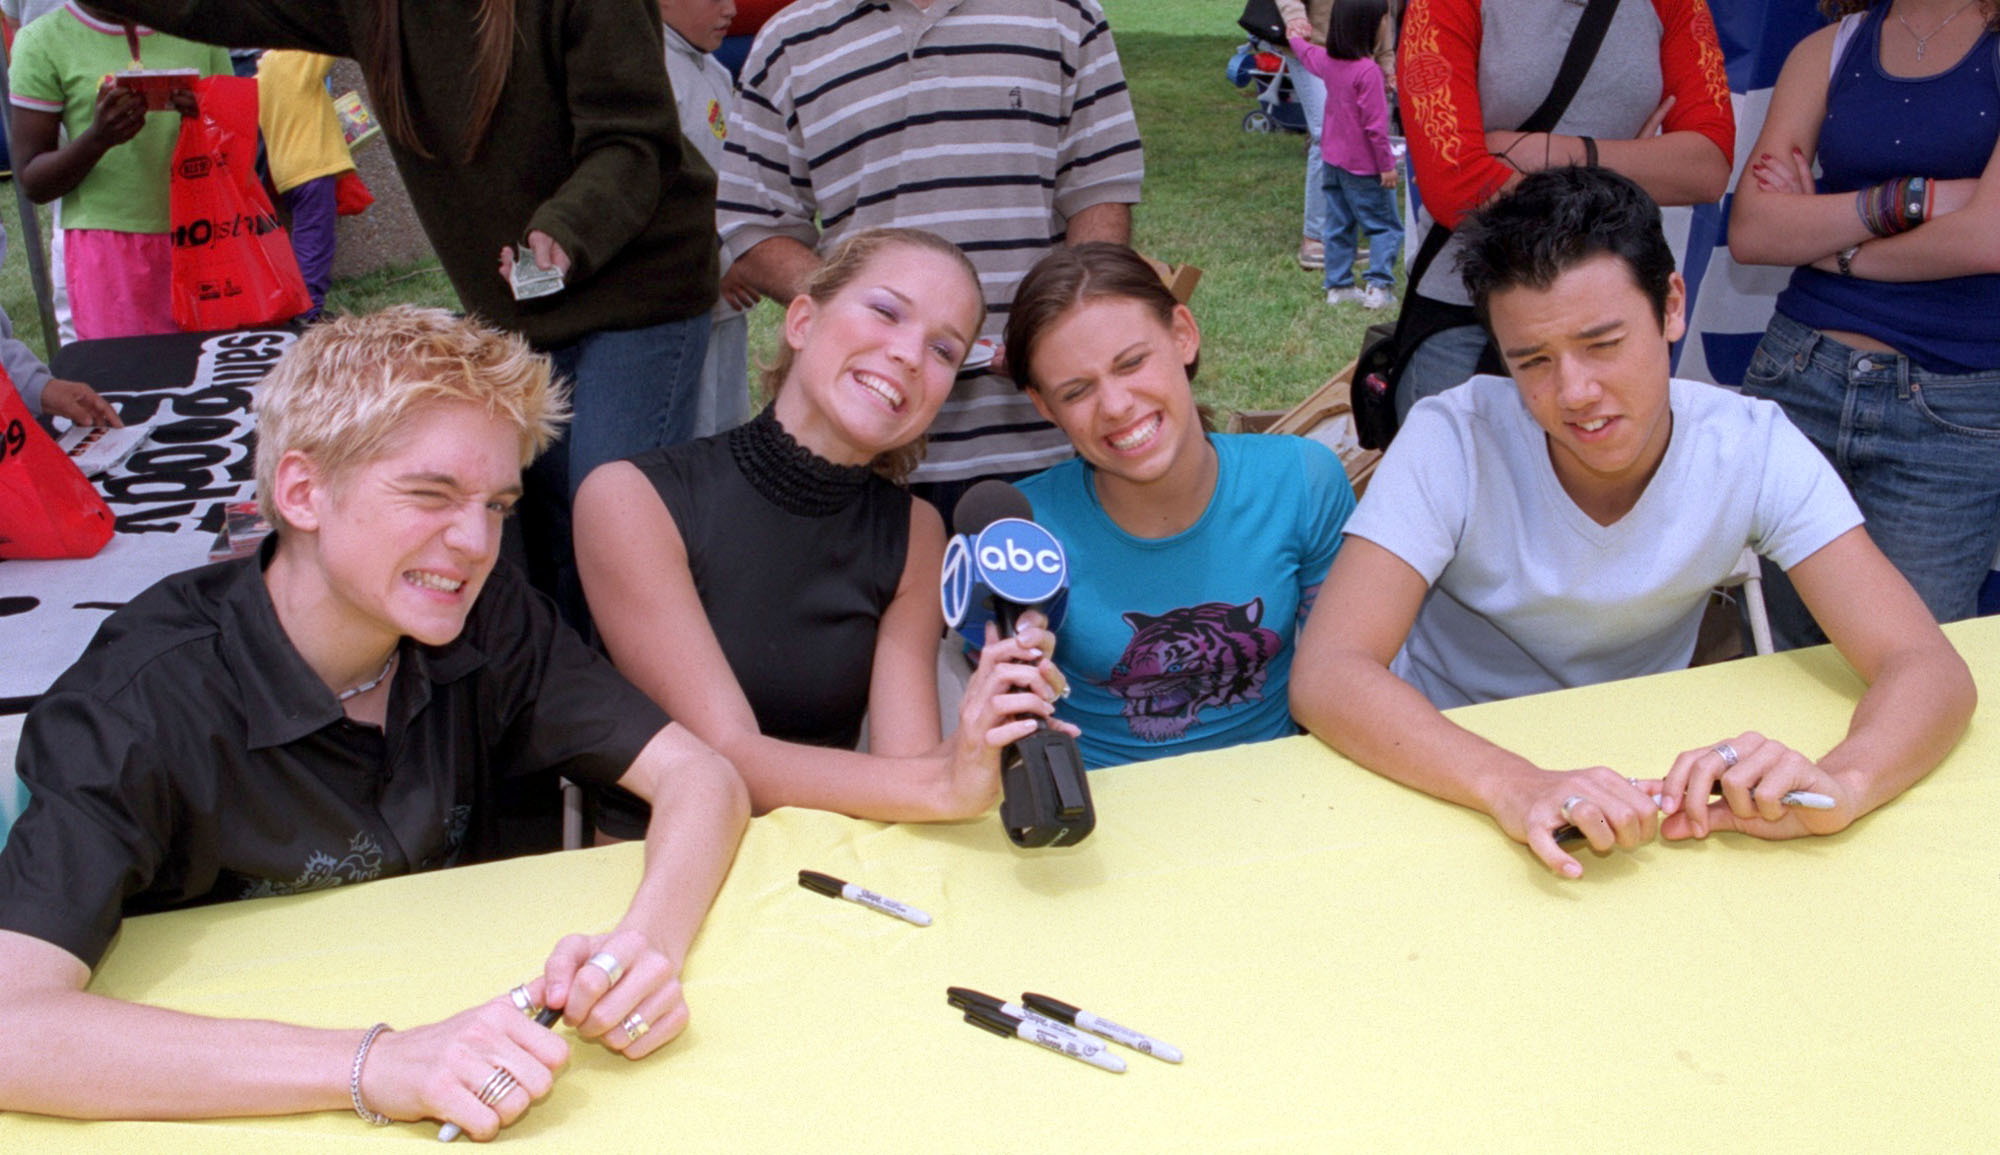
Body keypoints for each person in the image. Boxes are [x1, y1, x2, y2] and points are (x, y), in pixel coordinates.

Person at [0, 307, 749, 1135]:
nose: (474, 541)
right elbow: (12, 1026)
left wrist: (641, 947)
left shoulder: (488, 617)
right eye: (430, 493)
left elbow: (700, 775)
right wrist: (380, 1062)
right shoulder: (136, 700)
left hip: (495, 1073)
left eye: (499, 504)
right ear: (301, 490)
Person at [1290, 167, 1975, 880]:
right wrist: (1512, 782)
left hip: (1641, 783)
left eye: (1604, 344)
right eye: (1533, 362)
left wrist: (1847, 782)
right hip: (1444, 768)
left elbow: (1926, 665)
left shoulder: (1749, 444)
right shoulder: (1451, 438)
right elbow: (1331, 671)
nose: (1575, 393)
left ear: (1671, 305)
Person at [575, 228, 1068, 830]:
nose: (910, 355)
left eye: (944, 350)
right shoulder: (631, 498)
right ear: (802, 321)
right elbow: (726, 759)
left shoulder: (914, 532)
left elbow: (905, 768)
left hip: (828, 865)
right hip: (651, 869)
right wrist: (945, 782)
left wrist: (983, 727)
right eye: (886, 311)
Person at [716, 0, 1144, 522]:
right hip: (863, 445)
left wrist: (1059, 334)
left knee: (1037, 606)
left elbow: (1100, 195)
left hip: (1039, 435)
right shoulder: (790, 40)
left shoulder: (1064, 16)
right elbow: (756, 228)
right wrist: (880, 323)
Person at [1006, 243, 1356, 768]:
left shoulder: (1303, 481)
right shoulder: (1022, 528)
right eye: (1077, 391)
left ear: (1183, 334)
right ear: (1043, 405)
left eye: (1132, 362)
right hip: (1099, 815)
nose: (1117, 405)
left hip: (1283, 795)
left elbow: (1350, 674)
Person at [1727, 0, 2000, 648]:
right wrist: (1917, 200)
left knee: (1913, 668)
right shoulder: (1828, 48)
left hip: (1954, 410)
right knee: (1774, 664)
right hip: (1797, 379)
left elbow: (1987, 237)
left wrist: (1830, 244)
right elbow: (1754, 229)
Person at [1391, 0, 1734, 422]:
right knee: (1462, 480)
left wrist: (1554, 154)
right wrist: (1630, 170)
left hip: (1607, 323)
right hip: (1474, 318)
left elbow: (1707, 166)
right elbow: (1457, 185)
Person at [8, 4, 230, 338]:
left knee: (214, 372)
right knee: (128, 380)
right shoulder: (41, 41)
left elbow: (237, 138)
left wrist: (206, 117)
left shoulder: (202, 30)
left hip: (207, 236)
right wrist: (98, 139)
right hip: (107, 250)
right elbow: (31, 181)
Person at [659, 0, 753, 438]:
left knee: (727, 421)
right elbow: (667, 191)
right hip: (680, 298)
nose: (731, 10)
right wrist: (715, 262)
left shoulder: (713, 69)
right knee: (685, 429)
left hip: (729, 293)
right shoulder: (652, 73)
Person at [1290, 0, 1403, 310]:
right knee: (1385, 226)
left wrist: (1294, 34)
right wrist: (1387, 167)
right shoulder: (1368, 73)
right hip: (1366, 168)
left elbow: (1305, 52)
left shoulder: (1328, 61)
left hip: (1333, 162)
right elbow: (1376, 129)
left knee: (1338, 224)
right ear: (1370, 27)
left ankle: (1339, 287)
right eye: (1384, 20)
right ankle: (1378, 287)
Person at [254, 49, 357, 318]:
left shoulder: (262, 71)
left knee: (305, 237)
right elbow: (326, 40)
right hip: (312, 167)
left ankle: (302, 304)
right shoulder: (295, 58)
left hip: (286, 173)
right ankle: (308, 311)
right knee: (315, 242)